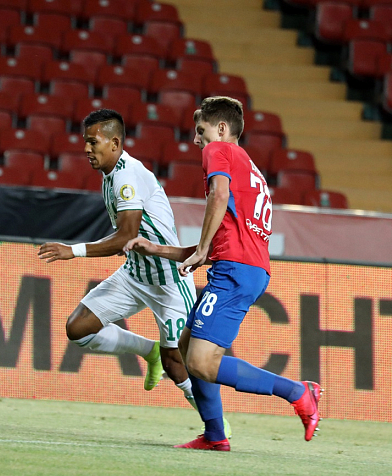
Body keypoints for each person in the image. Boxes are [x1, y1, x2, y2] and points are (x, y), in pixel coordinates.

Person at [124, 96, 322, 451]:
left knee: (201, 362)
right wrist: (158, 249)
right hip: (244, 268)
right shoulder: (249, 167)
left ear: (220, 128)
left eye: (201, 131)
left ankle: (298, 391)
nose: (196, 140)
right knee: (186, 346)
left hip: (235, 271)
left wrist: (202, 249)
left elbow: (217, 196)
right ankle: (215, 434)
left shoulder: (220, 150)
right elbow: (220, 242)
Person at [38, 109, 231, 436]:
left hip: (169, 280)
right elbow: (128, 238)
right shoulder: (110, 174)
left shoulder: (127, 176)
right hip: (135, 274)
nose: (86, 149)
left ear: (114, 143)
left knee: (179, 363)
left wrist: (74, 250)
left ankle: (217, 427)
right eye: (85, 141)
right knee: (78, 329)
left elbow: (126, 234)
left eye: (93, 142)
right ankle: (148, 350)